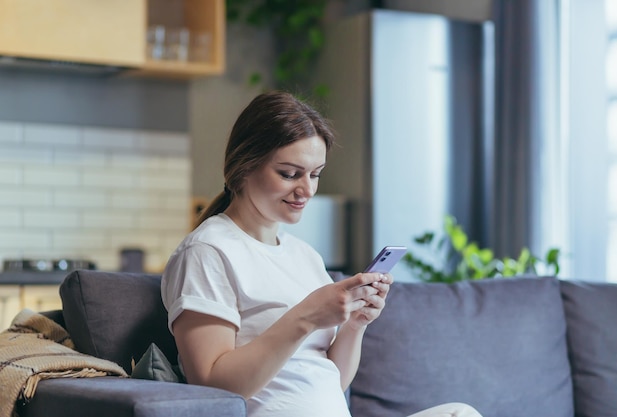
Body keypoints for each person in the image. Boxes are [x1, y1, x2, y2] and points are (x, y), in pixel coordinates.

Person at [161, 91, 483, 417]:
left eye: (315, 174)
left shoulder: (305, 256)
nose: (307, 190)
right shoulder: (208, 252)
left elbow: (333, 380)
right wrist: (306, 317)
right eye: (289, 174)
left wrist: (356, 323)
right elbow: (211, 387)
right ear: (244, 167)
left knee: (460, 413)